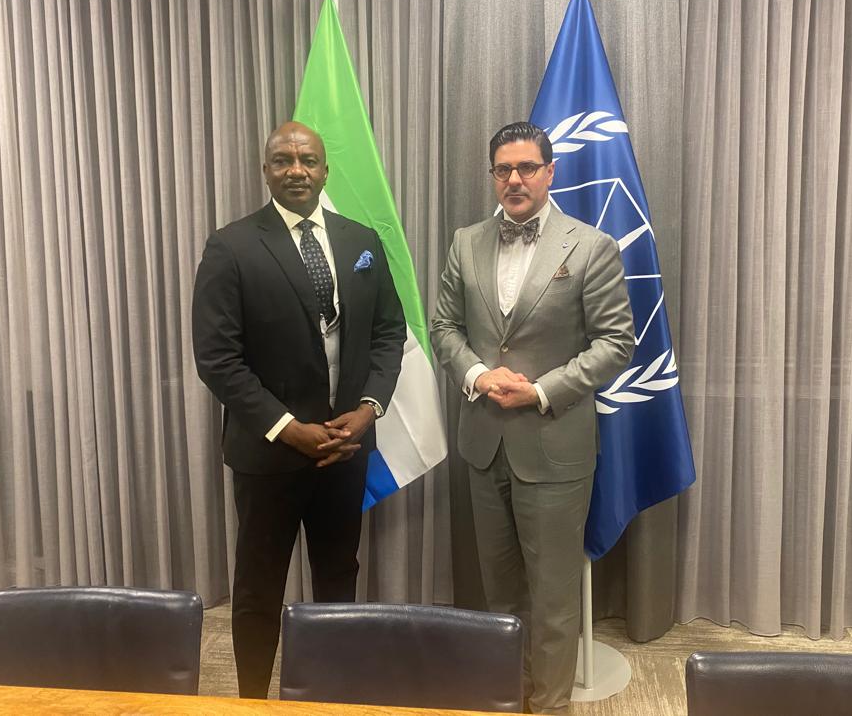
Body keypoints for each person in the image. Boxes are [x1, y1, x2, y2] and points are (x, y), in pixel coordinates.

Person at [192, 121, 406, 699]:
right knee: (259, 588)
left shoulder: (362, 241)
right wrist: (289, 429)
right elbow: (217, 359)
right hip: (269, 456)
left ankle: (331, 695)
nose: (296, 170)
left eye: (307, 160)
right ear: (266, 170)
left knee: (338, 581)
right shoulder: (231, 246)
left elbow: (389, 333)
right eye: (283, 160)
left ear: (325, 170)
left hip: (345, 449)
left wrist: (369, 408)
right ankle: (253, 703)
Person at [431, 121, 635, 714]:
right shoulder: (465, 242)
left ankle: (548, 705)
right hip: (484, 444)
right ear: (492, 176)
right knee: (500, 592)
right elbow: (444, 327)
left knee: (552, 597)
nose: (514, 180)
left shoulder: (591, 246)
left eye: (526, 168)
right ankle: (507, 695)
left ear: (550, 172)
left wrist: (542, 390)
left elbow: (616, 343)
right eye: (503, 169)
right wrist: (477, 374)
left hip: (554, 445)